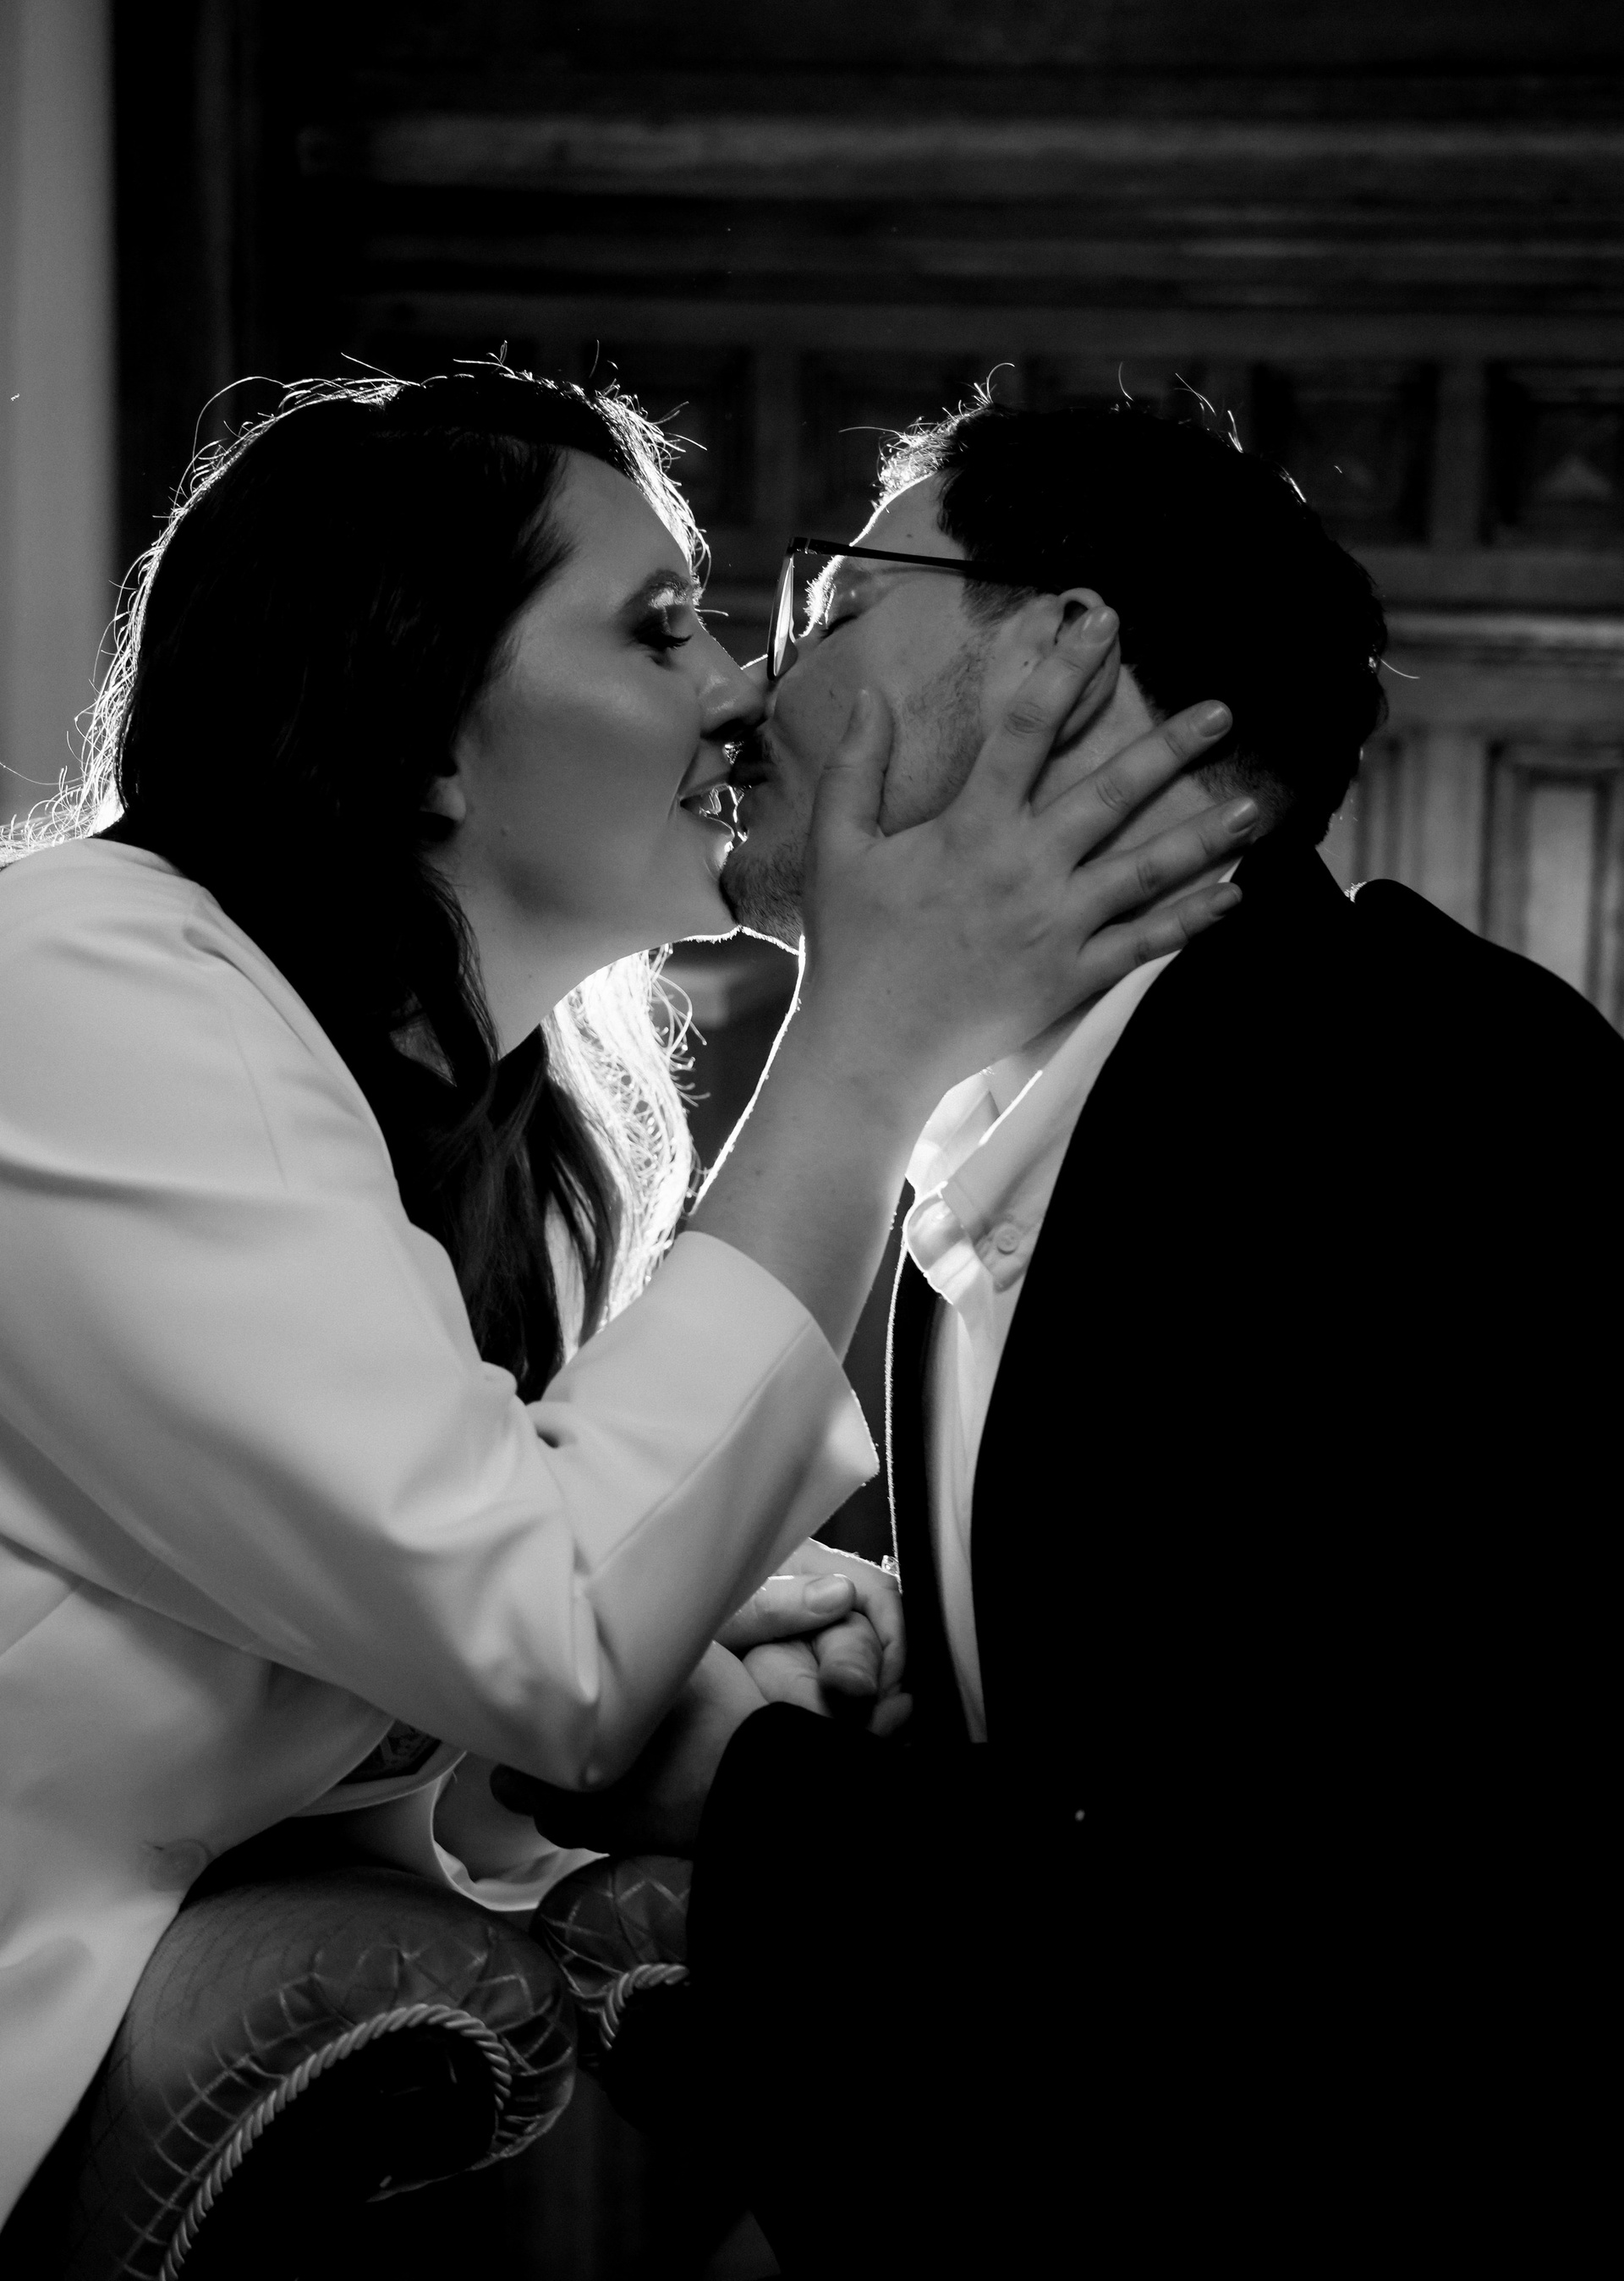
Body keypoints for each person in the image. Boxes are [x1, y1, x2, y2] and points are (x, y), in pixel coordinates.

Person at [0, 368, 1248, 2229]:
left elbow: (418, 1633)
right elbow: (546, 1647)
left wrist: (714, 1614)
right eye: (660, 628)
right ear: (415, 718)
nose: (743, 689)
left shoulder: (535, 1139)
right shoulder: (73, 997)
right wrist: (874, 1040)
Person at [507, 398, 1621, 2272]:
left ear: (1064, 654)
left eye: (834, 605)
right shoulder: (1017, 1113)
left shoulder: (1438, 1107)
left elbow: (1355, 1936)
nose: (753, 687)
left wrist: (743, 1785)